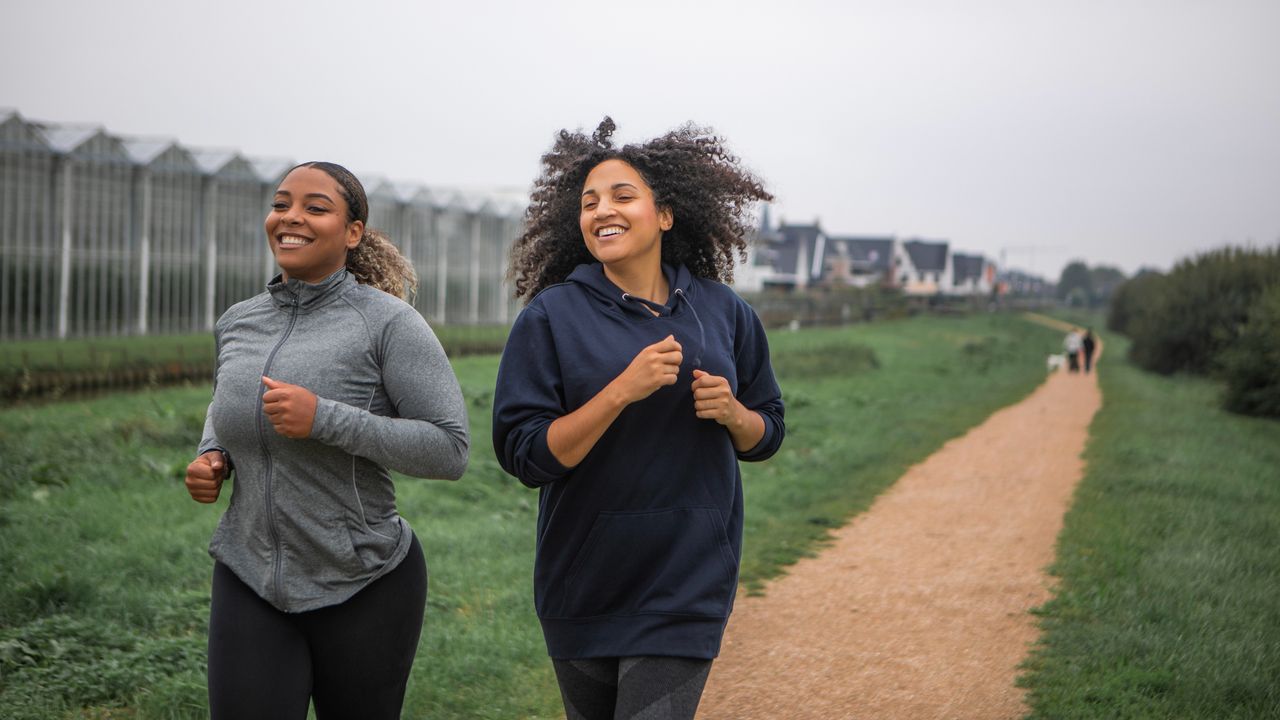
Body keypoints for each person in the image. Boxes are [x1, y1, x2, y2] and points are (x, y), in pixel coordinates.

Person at [492, 118, 786, 720]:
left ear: (666, 215)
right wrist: (618, 392)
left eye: (623, 196)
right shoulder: (550, 318)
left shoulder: (724, 310)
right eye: (589, 201)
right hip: (583, 582)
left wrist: (733, 413)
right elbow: (526, 455)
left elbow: (768, 430)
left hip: (687, 581)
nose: (604, 210)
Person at [184, 161, 469, 720]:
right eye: (281, 203)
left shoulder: (387, 323)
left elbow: (450, 449)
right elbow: (228, 407)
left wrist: (325, 419)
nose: (291, 217)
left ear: (353, 232)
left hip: (365, 579)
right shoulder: (238, 321)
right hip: (249, 571)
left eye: (316, 208)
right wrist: (211, 454)